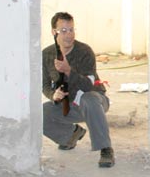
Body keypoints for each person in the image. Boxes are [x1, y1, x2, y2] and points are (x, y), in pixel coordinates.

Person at [42, 11, 115, 167]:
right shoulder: (46, 55)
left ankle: (105, 148)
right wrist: (53, 95)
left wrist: (68, 71)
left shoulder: (85, 51)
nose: (69, 35)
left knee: (89, 99)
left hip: (95, 102)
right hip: (68, 105)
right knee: (40, 113)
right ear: (54, 32)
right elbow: (45, 85)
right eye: (63, 30)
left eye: (71, 29)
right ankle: (71, 135)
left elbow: (89, 85)